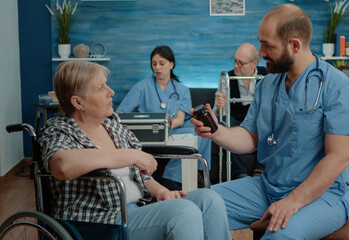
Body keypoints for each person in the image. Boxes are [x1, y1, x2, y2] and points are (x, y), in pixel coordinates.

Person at [190, 4, 349, 239]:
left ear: (294, 45)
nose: (260, 52)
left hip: (324, 196)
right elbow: (250, 137)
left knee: (279, 235)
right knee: (195, 207)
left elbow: (338, 158)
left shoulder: (338, 87)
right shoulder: (267, 85)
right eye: (260, 42)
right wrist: (216, 131)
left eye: (267, 45)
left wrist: (293, 201)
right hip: (268, 187)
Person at [39, 61, 232, 240]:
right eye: (101, 88)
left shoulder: (113, 127)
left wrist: (162, 192)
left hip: (139, 207)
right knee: (184, 212)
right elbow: (62, 165)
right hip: (101, 220)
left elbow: (141, 176)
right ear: (78, 102)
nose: (111, 92)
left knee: (209, 199)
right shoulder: (60, 129)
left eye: (107, 85)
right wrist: (130, 155)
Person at [116, 45, 211, 190]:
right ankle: (172, 179)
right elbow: (120, 113)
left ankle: (193, 175)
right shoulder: (142, 87)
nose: (157, 68)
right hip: (151, 133)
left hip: (174, 129)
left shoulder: (182, 90)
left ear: (171, 64)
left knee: (202, 133)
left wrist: (174, 122)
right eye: (154, 64)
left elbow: (180, 118)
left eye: (162, 63)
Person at [213, 43, 267, 179]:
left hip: (258, 121)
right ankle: (240, 173)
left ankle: (260, 169)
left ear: (254, 63)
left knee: (268, 122)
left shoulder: (267, 76)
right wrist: (220, 106)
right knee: (228, 124)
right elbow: (218, 113)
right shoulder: (227, 78)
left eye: (241, 63)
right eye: (235, 60)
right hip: (237, 121)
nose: (236, 66)